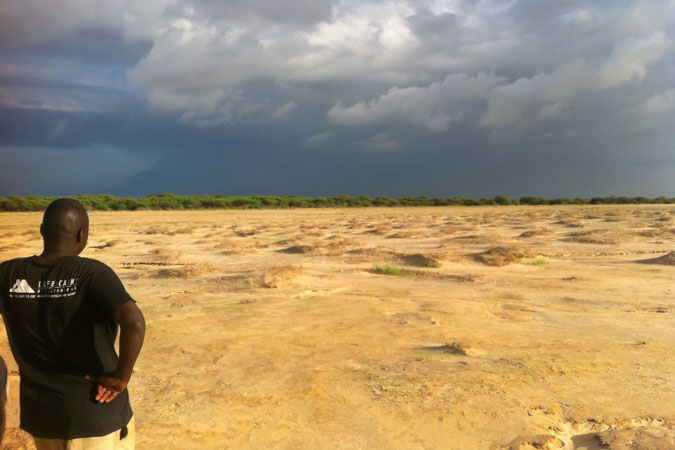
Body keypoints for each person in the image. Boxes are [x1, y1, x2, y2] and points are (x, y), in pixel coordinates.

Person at [0, 198, 145, 449]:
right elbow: (134, 323)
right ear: (83, 235)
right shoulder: (93, 273)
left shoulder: (6, 274)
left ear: (43, 230)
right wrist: (121, 378)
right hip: (95, 413)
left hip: (43, 416)